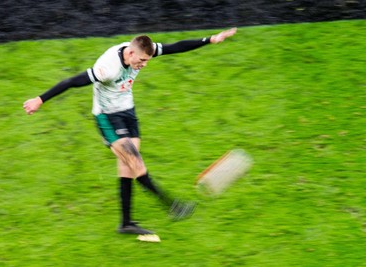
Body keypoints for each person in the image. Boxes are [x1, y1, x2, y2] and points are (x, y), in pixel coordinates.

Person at [23, 27, 238, 235]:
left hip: (128, 111)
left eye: (147, 61)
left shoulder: (144, 50)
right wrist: (40, 100)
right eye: (142, 61)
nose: (144, 65)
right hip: (107, 116)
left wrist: (210, 39)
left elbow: (175, 47)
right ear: (131, 52)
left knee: (127, 165)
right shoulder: (108, 68)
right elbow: (71, 82)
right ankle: (172, 205)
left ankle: (126, 223)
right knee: (137, 164)